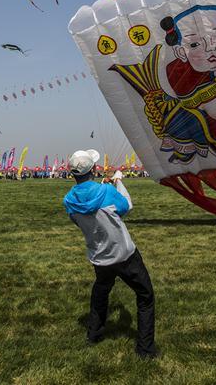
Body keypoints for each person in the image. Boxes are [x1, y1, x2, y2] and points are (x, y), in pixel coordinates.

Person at [63, 149, 157, 358]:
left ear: (73, 174)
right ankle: (146, 350)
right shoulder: (106, 192)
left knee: (101, 291)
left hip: (99, 257)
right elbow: (126, 207)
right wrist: (119, 182)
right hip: (124, 255)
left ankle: (93, 334)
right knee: (145, 296)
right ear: (94, 170)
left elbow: (77, 219)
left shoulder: (69, 201)